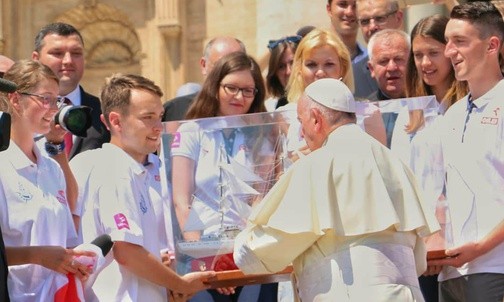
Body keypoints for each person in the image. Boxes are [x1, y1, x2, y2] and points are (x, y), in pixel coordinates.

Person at [233, 78, 439, 301]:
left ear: (316, 119)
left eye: (302, 122)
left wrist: (241, 246)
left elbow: (271, 246)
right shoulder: (395, 163)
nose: (302, 133)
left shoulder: (317, 163)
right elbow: (418, 260)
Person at [70, 73, 216, 301]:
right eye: (148, 118)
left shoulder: (158, 167)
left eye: (160, 116)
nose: (159, 127)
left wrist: (196, 270)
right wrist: (180, 284)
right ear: (116, 121)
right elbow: (127, 251)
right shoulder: (111, 168)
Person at [171, 52, 271, 302]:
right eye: (232, 88)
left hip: (246, 255)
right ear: (215, 87)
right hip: (200, 257)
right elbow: (182, 202)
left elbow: (261, 198)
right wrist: (205, 257)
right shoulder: (191, 131)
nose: (240, 97)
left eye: (249, 91)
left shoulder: (261, 135)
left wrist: (240, 254)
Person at [428, 2, 504, 301]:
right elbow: (440, 192)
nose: (449, 52)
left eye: (460, 41)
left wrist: (482, 247)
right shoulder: (452, 115)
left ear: (491, 46)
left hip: (495, 267)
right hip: (451, 272)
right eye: (447, 42)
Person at [389, 14, 468, 302]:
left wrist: (440, 235)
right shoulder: (407, 116)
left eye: (433, 53)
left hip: (459, 239)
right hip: (417, 242)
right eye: (418, 55)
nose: (425, 63)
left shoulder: (465, 108)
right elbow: (401, 179)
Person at [0, 59, 94, 301]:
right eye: (45, 99)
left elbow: (67, 238)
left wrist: (78, 259)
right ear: (15, 99)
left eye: (57, 100)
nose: (54, 109)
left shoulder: (52, 167)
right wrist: (37, 255)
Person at [32, 22, 110, 159]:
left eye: (76, 53)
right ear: (36, 59)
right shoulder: (19, 113)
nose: (68, 60)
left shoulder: (105, 113)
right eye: (57, 53)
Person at [162, 36, 246, 122]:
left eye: (235, 66)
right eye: (219, 66)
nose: (227, 73)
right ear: (204, 65)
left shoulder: (255, 110)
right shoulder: (174, 111)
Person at [367, 29, 410, 148]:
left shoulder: (429, 106)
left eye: (399, 59)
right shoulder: (363, 114)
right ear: (371, 68)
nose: (392, 67)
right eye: (383, 61)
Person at [353, 0, 403, 98]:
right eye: (365, 21)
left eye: (380, 18)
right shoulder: (353, 75)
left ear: (398, 18)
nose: (372, 27)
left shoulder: (423, 66)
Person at [326, 0, 371, 98]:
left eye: (355, 6)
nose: (349, 12)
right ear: (329, 9)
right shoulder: (314, 59)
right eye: (342, 4)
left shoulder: (372, 60)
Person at [264, 35, 300, 112]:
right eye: (281, 66)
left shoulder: (319, 100)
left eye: (292, 63)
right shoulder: (270, 108)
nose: (288, 71)